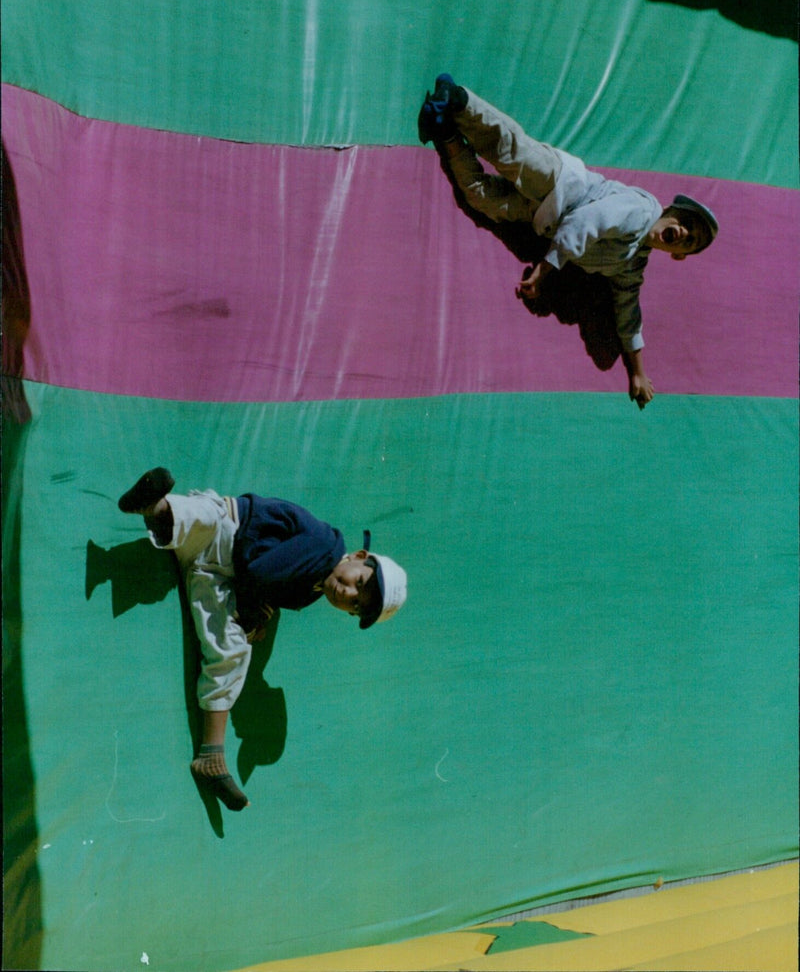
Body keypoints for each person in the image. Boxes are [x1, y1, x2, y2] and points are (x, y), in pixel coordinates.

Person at [418, 74, 719, 408]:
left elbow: (628, 310)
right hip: (562, 182)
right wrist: (544, 272)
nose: (685, 233)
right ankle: (457, 99)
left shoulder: (631, 263)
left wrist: (637, 371)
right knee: (511, 152)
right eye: (687, 223)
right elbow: (588, 222)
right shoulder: (640, 210)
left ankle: (444, 129)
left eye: (690, 241)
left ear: (678, 254)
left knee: (481, 198)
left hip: (542, 216)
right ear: (671, 209)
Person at [117, 467, 407, 811]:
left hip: (213, 572)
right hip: (228, 530)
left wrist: (260, 616)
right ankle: (157, 506)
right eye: (358, 583)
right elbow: (260, 572)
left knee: (234, 651)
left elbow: (270, 591)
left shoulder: (308, 594)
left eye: (356, 605)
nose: (347, 593)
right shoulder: (326, 546)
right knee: (205, 515)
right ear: (359, 557)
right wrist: (254, 612)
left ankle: (211, 757)